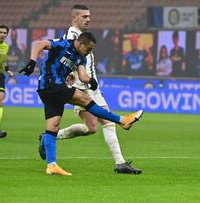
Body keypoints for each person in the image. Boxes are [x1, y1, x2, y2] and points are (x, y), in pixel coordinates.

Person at [19, 31, 143, 176]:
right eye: (88, 49)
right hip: (51, 83)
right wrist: (33, 61)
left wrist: (91, 81)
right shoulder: (64, 44)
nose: (89, 52)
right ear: (80, 43)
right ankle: (122, 120)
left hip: (50, 91)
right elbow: (40, 44)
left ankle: (51, 165)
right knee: (85, 100)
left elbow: (83, 76)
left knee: (53, 126)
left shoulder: (80, 58)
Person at [57, 4, 142, 174]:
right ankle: (120, 162)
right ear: (74, 18)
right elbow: (69, 61)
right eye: (84, 16)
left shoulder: (82, 36)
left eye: (89, 16)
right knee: (107, 122)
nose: (88, 19)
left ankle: (50, 136)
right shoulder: (72, 37)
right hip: (83, 88)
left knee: (91, 128)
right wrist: (81, 82)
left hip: (89, 87)